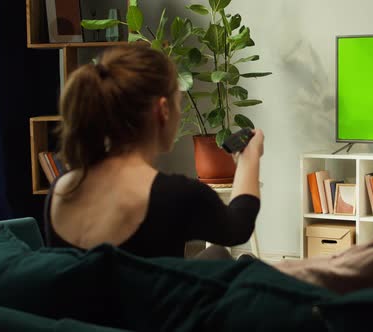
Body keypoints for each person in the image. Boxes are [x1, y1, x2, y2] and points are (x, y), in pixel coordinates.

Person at [44, 44, 263, 260]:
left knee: (215, 255)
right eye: (179, 101)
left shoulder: (61, 190)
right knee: (233, 260)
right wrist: (249, 159)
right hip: (156, 296)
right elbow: (238, 228)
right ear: (163, 110)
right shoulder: (176, 195)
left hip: (92, 296)